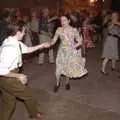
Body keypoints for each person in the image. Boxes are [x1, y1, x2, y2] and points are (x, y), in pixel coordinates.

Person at [0, 22, 48, 120]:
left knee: (9, 103)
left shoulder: (12, 41)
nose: (24, 34)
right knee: (29, 96)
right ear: (18, 32)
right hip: (7, 78)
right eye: (23, 32)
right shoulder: (10, 49)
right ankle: (34, 115)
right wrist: (19, 76)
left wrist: (41, 45)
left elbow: (27, 49)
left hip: (6, 77)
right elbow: (1, 70)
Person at [47, 14, 88, 92]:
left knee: (67, 69)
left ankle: (67, 82)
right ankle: (57, 84)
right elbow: (54, 40)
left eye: (64, 20)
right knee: (58, 69)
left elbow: (80, 41)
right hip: (61, 52)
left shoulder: (74, 30)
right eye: (61, 20)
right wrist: (48, 44)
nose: (62, 22)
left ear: (69, 21)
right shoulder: (59, 29)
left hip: (70, 53)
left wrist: (74, 46)